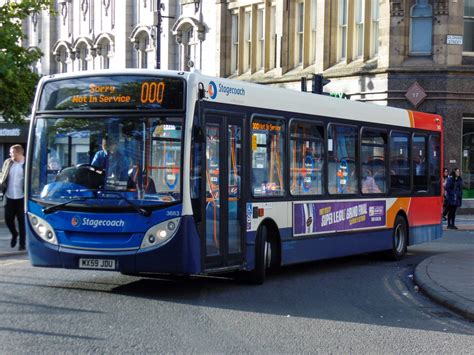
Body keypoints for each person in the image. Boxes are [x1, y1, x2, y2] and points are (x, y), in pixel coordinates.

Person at [0, 145, 26, 250]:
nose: (10, 154)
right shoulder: (8, 162)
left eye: (12, 152)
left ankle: (22, 244)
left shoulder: (27, 164)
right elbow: (3, 175)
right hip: (9, 196)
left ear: (19, 153)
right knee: (8, 219)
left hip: (22, 197)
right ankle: (15, 234)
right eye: (10, 152)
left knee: (21, 221)